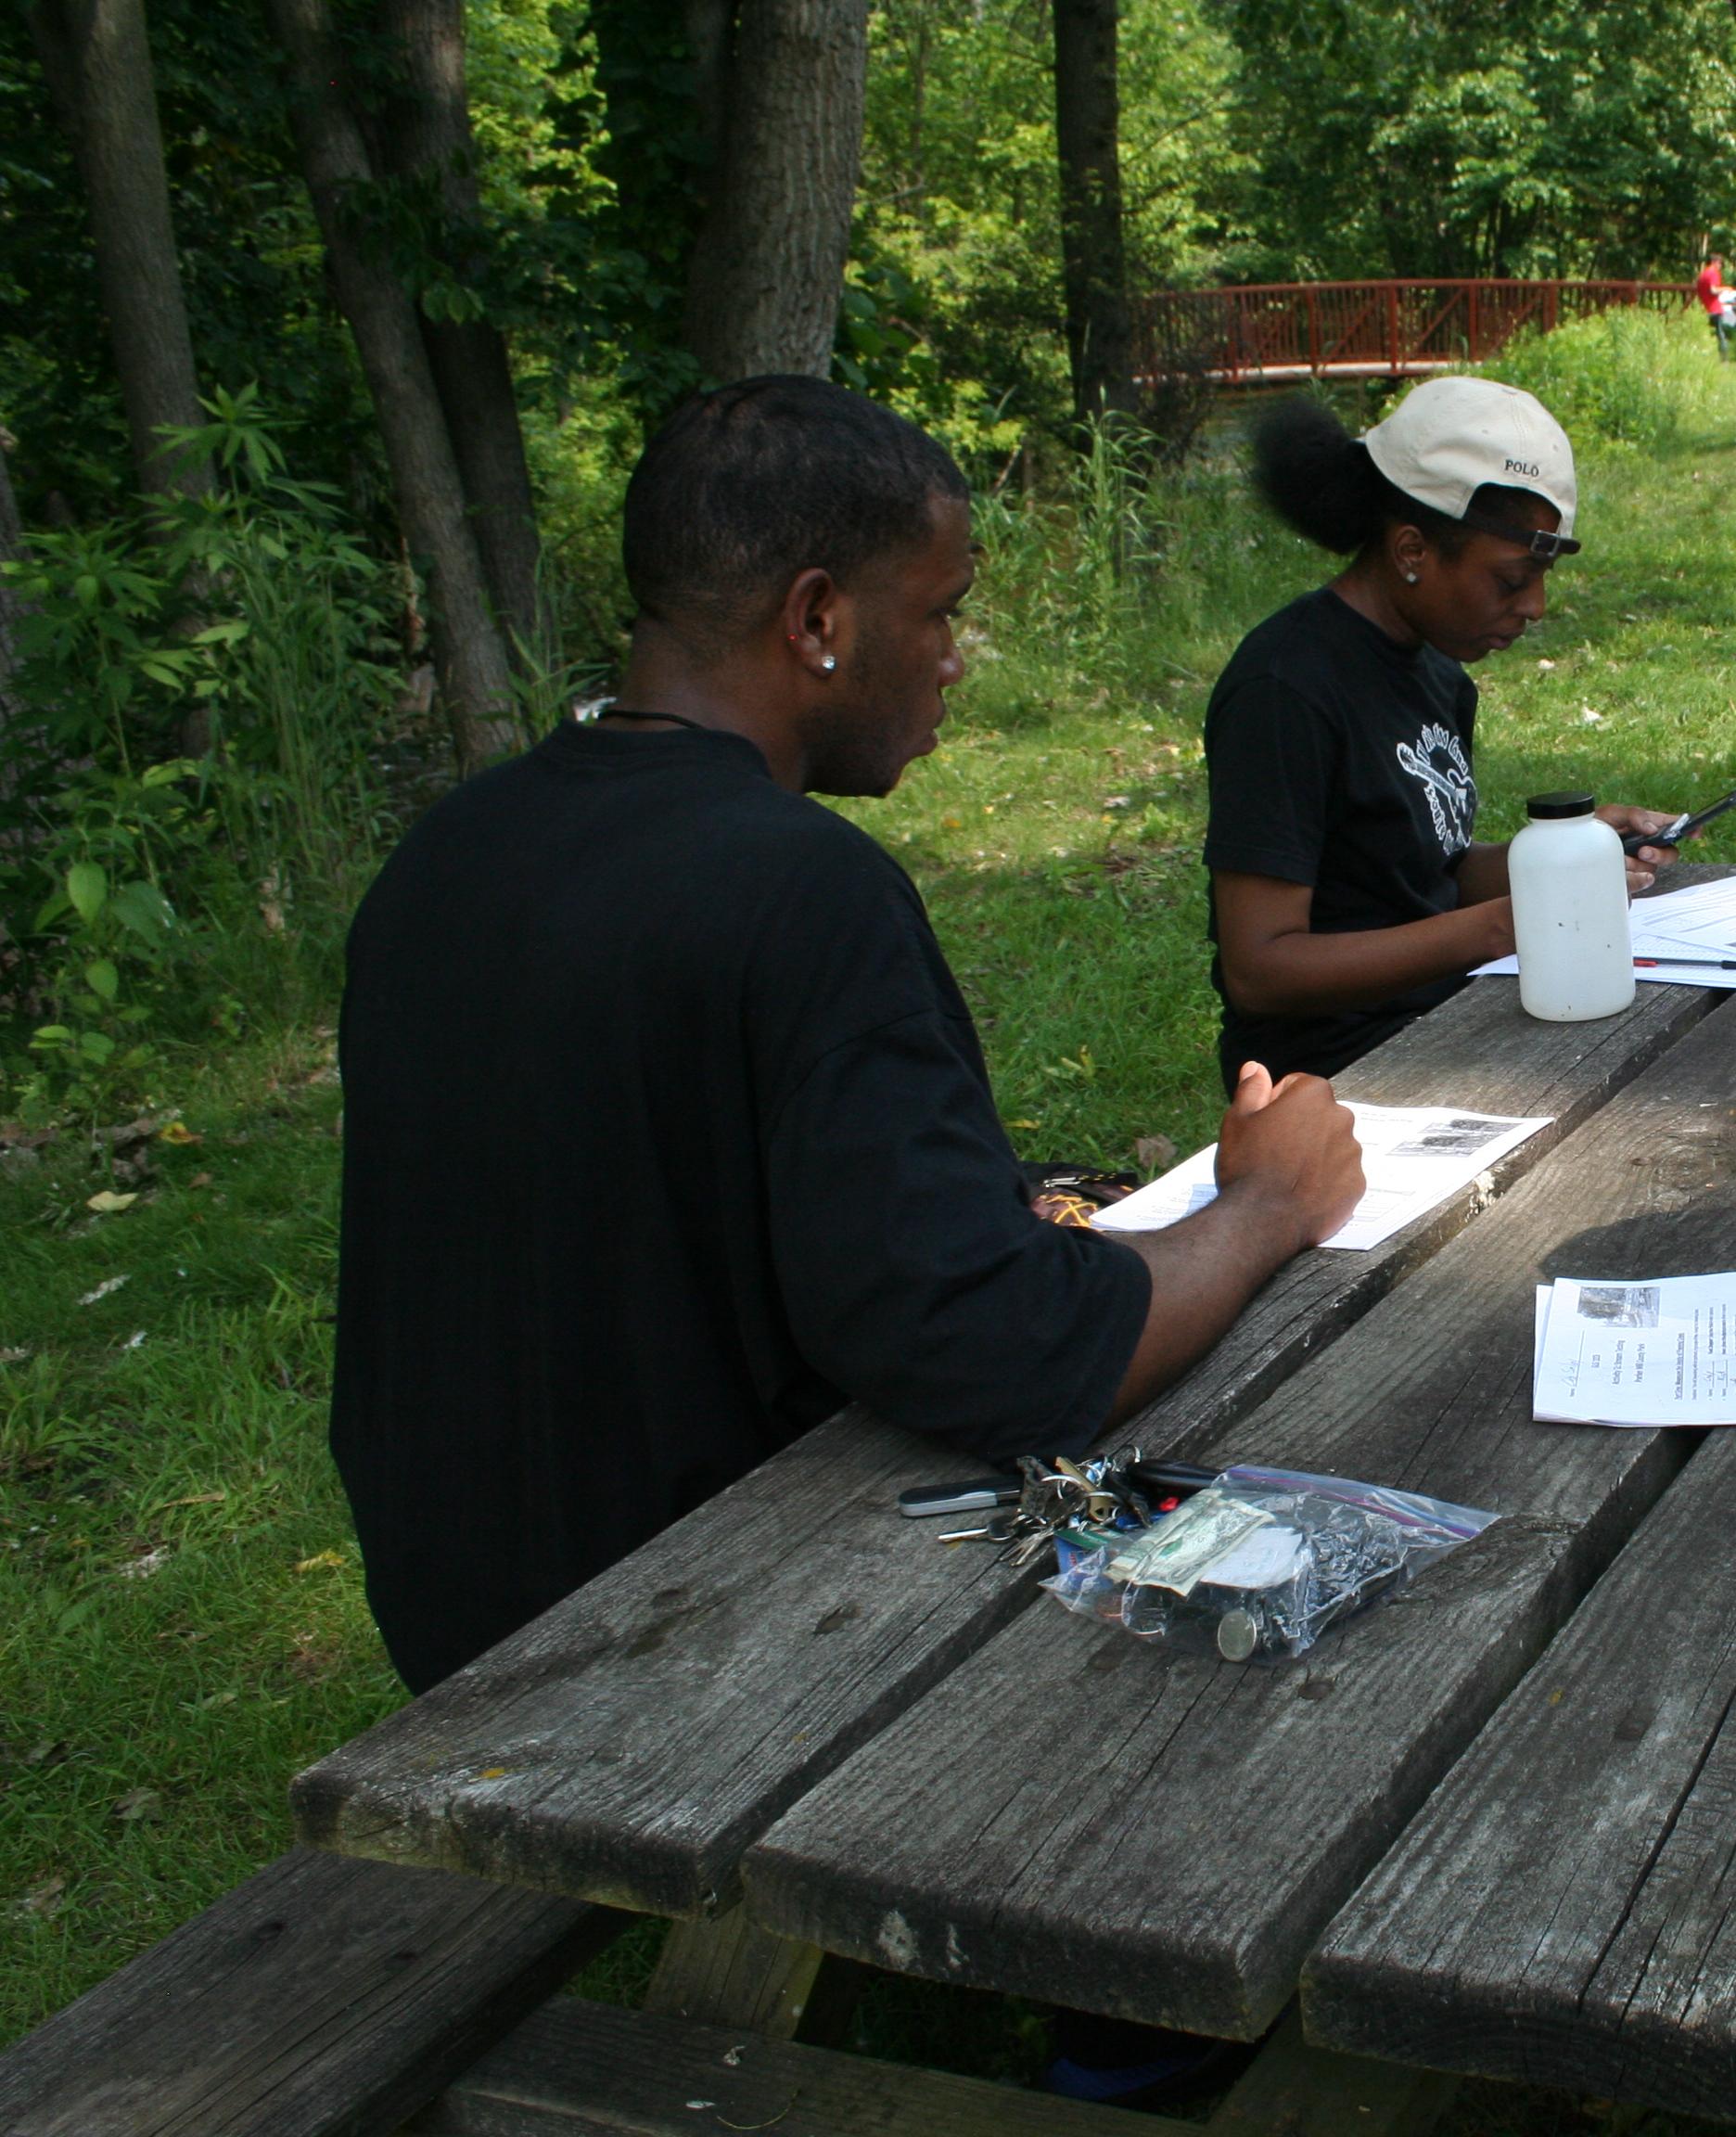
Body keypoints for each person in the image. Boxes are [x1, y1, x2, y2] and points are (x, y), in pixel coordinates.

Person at [331, 377, 1366, 1695]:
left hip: (460, 1610)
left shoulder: (446, 855)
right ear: (819, 617)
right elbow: (1014, 1362)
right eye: (938, 611)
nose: (952, 654)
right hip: (698, 1633)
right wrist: (1267, 1201)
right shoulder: (803, 893)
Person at [1203, 378, 1679, 1089]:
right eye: (1513, 579)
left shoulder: (1437, 676)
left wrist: (1556, 860)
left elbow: (1428, 870)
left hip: (1448, 1022)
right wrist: (1504, 927)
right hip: (1335, 1079)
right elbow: (1261, 969)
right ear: (1411, 551)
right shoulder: (1286, 690)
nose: (1536, 607)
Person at [1695, 251, 1731, 359]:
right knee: (1720, 335)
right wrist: (1726, 288)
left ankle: (1707, 356)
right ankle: (1724, 358)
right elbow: (1713, 290)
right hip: (1715, 308)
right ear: (1714, 262)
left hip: (1705, 308)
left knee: (1707, 334)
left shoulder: (1703, 274)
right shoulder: (1713, 273)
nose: (1720, 266)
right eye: (1720, 263)